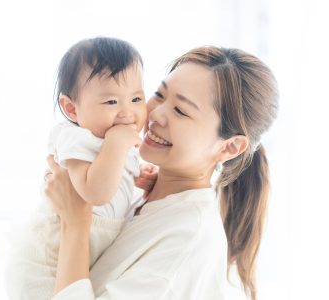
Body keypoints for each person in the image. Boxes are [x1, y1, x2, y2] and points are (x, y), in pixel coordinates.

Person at [43, 46, 278, 300]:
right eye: (159, 94)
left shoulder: (187, 239)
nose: (155, 114)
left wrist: (75, 221)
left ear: (230, 146)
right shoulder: (140, 189)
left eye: (181, 111)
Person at [5, 37, 157, 300]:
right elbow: (94, 192)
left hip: (80, 251)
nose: (127, 112)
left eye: (135, 98)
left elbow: (114, 179)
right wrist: (116, 144)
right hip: (45, 262)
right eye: (111, 102)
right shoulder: (75, 138)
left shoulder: (116, 143)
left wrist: (137, 177)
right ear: (72, 108)